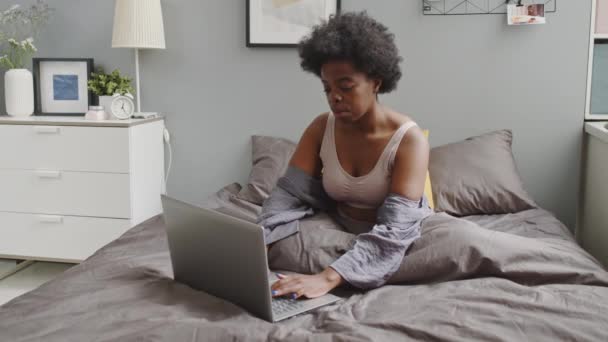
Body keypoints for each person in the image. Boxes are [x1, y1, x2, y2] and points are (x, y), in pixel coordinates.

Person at [259, 11, 432, 300]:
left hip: (397, 236)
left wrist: (328, 278)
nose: (334, 97)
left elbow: (396, 228)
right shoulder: (320, 127)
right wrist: (258, 241)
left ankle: (352, 268)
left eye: (346, 86)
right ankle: (351, 267)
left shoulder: (408, 140)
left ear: (376, 82)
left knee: (462, 247)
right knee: (271, 240)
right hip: (335, 227)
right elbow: (289, 195)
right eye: (327, 88)